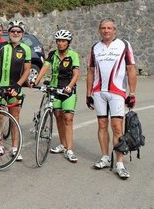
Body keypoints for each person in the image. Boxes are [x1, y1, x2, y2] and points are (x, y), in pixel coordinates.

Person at [86, 18, 137, 179]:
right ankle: (105, 157)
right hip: (99, 92)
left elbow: (130, 69)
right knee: (102, 124)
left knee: (117, 126)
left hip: (117, 92)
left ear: (114, 30)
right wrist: (88, 94)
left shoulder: (124, 45)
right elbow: (90, 71)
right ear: (99, 30)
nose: (106, 30)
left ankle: (120, 163)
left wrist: (132, 93)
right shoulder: (95, 47)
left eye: (109, 28)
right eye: (103, 28)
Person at [32, 30, 80, 163]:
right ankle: (63, 144)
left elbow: (76, 74)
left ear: (68, 43)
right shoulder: (53, 54)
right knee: (58, 117)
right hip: (54, 89)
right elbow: (44, 68)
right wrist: (35, 81)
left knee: (68, 118)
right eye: (58, 41)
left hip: (67, 90)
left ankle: (69, 149)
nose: (60, 43)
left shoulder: (73, 55)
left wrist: (70, 86)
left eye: (63, 41)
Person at [0, 20, 31, 161]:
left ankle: (14, 147)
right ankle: (0, 146)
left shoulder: (26, 48)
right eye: (13, 31)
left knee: (15, 117)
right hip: (0, 87)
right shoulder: (0, 46)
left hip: (15, 88)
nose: (15, 33)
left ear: (22, 33)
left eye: (18, 31)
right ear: (9, 33)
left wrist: (18, 85)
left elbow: (27, 70)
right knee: (0, 116)